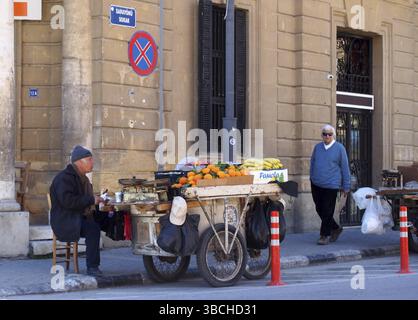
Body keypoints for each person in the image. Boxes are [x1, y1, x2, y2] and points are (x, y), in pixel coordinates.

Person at [50, 145, 105, 276]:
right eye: (90, 159)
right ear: (79, 162)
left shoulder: (84, 179)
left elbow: (84, 200)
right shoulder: (63, 178)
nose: (93, 163)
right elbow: (68, 201)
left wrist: (100, 201)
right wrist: (91, 200)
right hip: (66, 220)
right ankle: (92, 267)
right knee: (93, 229)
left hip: (80, 216)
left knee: (108, 218)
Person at [310, 124, 351, 245]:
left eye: (329, 134)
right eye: (324, 134)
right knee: (319, 208)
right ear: (322, 135)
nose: (327, 136)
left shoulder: (339, 148)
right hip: (316, 183)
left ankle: (325, 235)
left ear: (333, 135)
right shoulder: (318, 147)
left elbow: (345, 168)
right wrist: (311, 176)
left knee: (328, 210)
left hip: (332, 185)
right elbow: (312, 162)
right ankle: (335, 228)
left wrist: (346, 186)